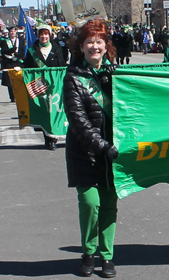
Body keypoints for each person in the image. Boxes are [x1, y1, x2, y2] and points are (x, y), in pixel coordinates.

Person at [63, 19, 119, 278]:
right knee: (90, 203)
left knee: (109, 205)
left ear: (106, 46)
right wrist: (103, 147)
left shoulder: (117, 73)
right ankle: (88, 251)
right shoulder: (73, 77)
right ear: (81, 46)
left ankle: (106, 256)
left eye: (99, 41)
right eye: (90, 42)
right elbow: (79, 122)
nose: (95, 47)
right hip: (85, 152)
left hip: (113, 152)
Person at [24, 24, 66, 150]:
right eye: (42, 34)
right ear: (38, 36)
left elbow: (62, 66)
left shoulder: (57, 48)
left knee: (53, 110)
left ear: (50, 35)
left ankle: (53, 137)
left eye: (46, 34)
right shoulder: (32, 51)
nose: (44, 37)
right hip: (39, 84)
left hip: (55, 84)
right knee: (44, 111)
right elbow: (27, 68)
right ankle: (47, 138)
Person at [0, 26, 25, 102]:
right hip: (9, 62)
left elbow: (23, 50)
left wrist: (19, 54)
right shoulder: (5, 41)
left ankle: (19, 95)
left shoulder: (20, 40)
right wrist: (11, 51)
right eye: (11, 31)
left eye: (14, 31)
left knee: (19, 79)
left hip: (18, 61)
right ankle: (12, 97)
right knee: (10, 81)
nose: (12, 32)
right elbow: (3, 51)